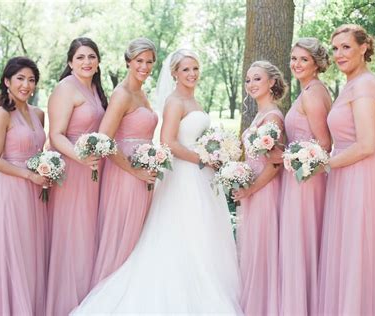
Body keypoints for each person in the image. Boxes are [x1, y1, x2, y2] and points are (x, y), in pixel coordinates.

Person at [71, 49, 242, 315]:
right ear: (174, 73)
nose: (192, 74)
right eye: (185, 69)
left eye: (195, 68)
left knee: (202, 234)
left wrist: (215, 151)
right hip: (184, 176)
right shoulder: (174, 102)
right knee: (183, 232)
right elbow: (168, 142)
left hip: (200, 176)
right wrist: (203, 158)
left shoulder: (192, 100)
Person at [317, 24, 375, 315]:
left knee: (362, 252)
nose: (339, 54)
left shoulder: (365, 86)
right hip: (349, 175)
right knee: (350, 254)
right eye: (335, 48)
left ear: (364, 48)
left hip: (364, 176)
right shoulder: (352, 84)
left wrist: (321, 164)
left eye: (346, 47)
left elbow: (367, 144)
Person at [46, 37, 107, 316]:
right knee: (73, 234)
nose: (87, 62)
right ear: (70, 62)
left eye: (91, 57)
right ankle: (65, 304)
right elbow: (55, 135)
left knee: (88, 231)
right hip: (72, 169)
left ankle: (87, 300)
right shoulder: (65, 88)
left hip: (94, 169)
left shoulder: (95, 88)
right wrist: (80, 157)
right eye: (81, 57)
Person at [90, 38, 158, 287]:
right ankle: (110, 292)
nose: (144, 66)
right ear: (128, 62)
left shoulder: (141, 92)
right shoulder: (122, 94)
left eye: (149, 62)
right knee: (123, 235)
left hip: (143, 173)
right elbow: (103, 141)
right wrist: (135, 172)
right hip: (125, 174)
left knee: (137, 235)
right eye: (139, 61)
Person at [0, 56, 48, 316]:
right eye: (20, 78)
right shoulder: (2, 115)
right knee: (16, 252)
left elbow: (39, 151)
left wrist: (46, 170)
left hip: (37, 191)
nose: (26, 85)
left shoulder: (38, 113)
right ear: (7, 81)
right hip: (13, 190)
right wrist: (28, 175)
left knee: (34, 252)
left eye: (31, 79)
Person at [278, 38, 332, 315]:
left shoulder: (313, 94)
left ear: (316, 64)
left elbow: (324, 144)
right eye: (294, 58)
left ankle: (303, 306)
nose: (296, 64)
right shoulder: (310, 90)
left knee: (302, 241)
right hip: (299, 175)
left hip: (306, 180)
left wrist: (292, 159)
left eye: (303, 60)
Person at [233, 60, 286, 316]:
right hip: (252, 190)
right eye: (248, 80)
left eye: (257, 79)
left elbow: (274, 166)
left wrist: (249, 189)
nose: (251, 84)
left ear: (272, 82)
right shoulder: (259, 115)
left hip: (264, 192)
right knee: (252, 251)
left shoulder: (273, 117)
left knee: (262, 251)